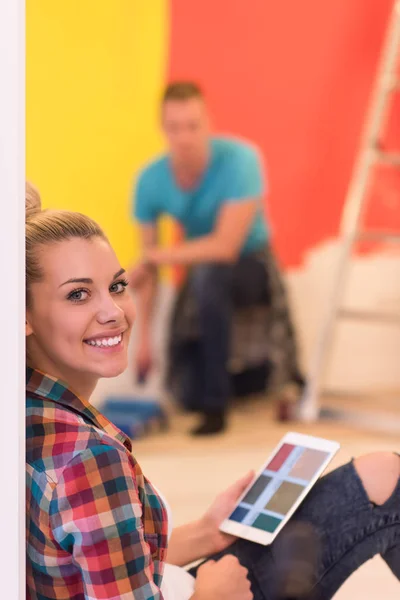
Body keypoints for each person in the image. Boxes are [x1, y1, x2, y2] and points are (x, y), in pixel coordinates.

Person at [26, 188, 400, 600]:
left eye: (117, 286)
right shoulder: (88, 460)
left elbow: (101, 563)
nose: (113, 311)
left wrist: (207, 532)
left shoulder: (29, 412)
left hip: (175, 583)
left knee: (384, 474)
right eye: (78, 294)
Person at [130, 81, 304, 436]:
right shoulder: (149, 180)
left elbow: (225, 247)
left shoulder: (242, 159)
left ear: (209, 123)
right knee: (185, 390)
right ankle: (235, 388)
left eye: (193, 125)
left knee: (210, 273)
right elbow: (147, 269)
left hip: (252, 264)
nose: (184, 137)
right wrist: (143, 339)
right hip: (201, 272)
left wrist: (156, 256)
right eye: (174, 127)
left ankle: (216, 407)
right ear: (163, 129)